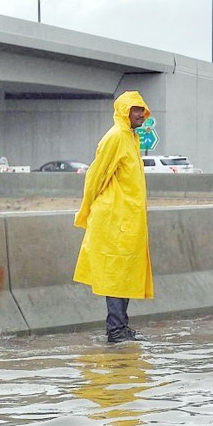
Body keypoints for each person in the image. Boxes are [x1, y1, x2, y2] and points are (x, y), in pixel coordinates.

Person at [73, 91, 153, 343]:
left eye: (142, 109)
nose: (141, 113)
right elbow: (95, 176)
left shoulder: (130, 137)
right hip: (114, 218)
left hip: (128, 218)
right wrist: (87, 210)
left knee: (125, 271)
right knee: (117, 273)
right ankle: (115, 330)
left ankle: (121, 326)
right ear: (123, 111)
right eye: (135, 109)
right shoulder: (116, 137)